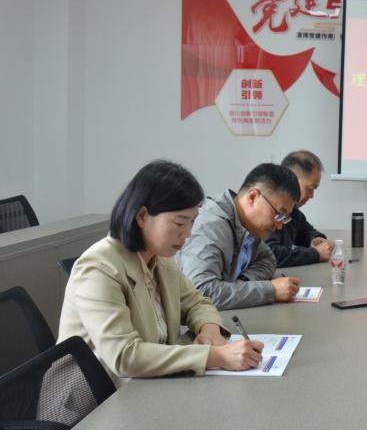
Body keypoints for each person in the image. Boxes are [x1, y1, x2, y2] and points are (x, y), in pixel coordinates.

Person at [58, 161, 264, 385]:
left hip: (145, 385)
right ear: (142, 216)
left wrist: (210, 329)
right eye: (179, 223)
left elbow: (197, 303)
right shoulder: (98, 268)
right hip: (98, 397)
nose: (188, 233)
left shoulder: (161, 259)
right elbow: (125, 355)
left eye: (192, 222)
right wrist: (215, 356)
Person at [177, 163, 301, 310]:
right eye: (279, 214)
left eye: (284, 218)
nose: (279, 226)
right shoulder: (211, 227)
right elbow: (200, 292)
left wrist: (243, 282)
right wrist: (270, 290)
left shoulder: (247, 227)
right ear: (253, 197)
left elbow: (267, 259)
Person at [265, 150, 331, 267]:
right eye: (310, 188)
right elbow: (270, 253)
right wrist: (315, 254)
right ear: (292, 179)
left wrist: (315, 239)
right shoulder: (269, 209)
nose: (311, 195)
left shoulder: (294, 212)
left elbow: (305, 231)